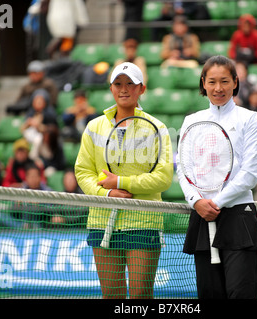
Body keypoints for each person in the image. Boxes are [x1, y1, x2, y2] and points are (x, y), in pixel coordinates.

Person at [74, 62, 173, 299]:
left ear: (142, 89)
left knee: (140, 295)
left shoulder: (157, 128)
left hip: (143, 222)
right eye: (118, 84)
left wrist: (120, 182)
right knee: (111, 295)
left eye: (130, 84)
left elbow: (163, 178)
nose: (124, 89)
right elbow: (83, 172)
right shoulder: (93, 127)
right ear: (110, 88)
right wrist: (107, 194)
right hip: (101, 222)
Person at [176, 55, 257, 299]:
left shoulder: (249, 119)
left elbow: (250, 174)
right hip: (201, 215)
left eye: (224, 81)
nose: (218, 88)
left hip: (238, 216)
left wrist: (216, 202)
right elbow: (183, 168)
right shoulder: (191, 121)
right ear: (203, 83)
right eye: (212, 82)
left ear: (235, 82)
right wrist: (196, 201)